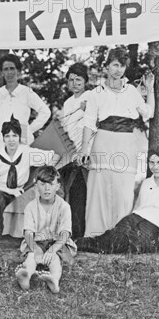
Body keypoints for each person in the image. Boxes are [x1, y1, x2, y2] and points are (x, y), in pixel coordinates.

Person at [77, 48, 155, 237]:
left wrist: (150, 89)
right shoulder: (96, 93)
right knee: (99, 190)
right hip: (103, 141)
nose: (119, 70)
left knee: (123, 191)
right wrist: (84, 149)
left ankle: (120, 236)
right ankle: (95, 234)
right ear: (107, 66)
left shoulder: (132, 91)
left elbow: (148, 113)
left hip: (126, 144)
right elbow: (88, 122)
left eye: (122, 66)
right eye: (115, 65)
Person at [0, 116, 59, 245]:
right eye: (7, 136)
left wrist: (46, 174)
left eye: (14, 136)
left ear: (19, 138)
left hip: (17, 191)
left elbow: (54, 155)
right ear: (3, 138)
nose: (11, 140)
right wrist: (9, 190)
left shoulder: (26, 152)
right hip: (0, 189)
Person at [76, 149, 159, 254]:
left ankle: (79, 243)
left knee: (125, 243)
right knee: (113, 235)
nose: (155, 167)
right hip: (135, 218)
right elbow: (138, 208)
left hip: (155, 226)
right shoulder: (147, 182)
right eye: (151, 163)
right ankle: (79, 243)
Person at [15, 166, 76, 293]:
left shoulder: (64, 207)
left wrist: (53, 249)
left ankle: (54, 279)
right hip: (37, 242)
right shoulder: (30, 207)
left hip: (58, 243)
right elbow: (28, 232)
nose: (47, 188)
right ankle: (26, 275)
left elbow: (65, 233)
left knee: (55, 259)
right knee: (31, 256)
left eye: (51, 184)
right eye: (42, 184)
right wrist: (36, 249)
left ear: (57, 186)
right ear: (36, 186)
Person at [0, 53, 51, 152]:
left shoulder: (26, 92)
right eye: (6, 69)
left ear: (18, 71)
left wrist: (29, 129)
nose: (9, 72)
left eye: (12, 68)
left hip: (22, 140)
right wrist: (0, 131)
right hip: (0, 143)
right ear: (2, 73)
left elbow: (45, 112)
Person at [59, 62, 92, 238]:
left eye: (78, 79)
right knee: (71, 192)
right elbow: (67, 127)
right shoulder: (67, 102)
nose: (74, 83)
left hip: (86, 152)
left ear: (85, 81)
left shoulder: (91, 97)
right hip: (71, 153)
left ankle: (82, 233)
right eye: (71, 80)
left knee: (82, 192)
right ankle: (71, 231)